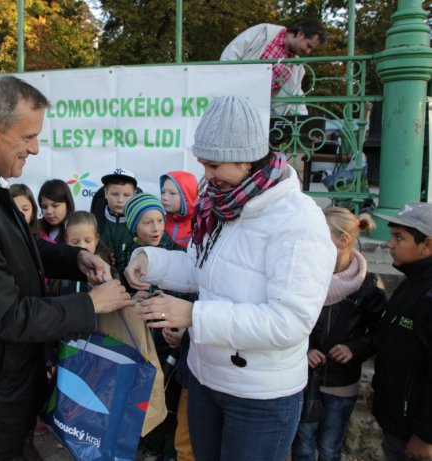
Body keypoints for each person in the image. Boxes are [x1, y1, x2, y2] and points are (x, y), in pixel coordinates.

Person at [0, 75, 134, 461]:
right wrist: (91, 304)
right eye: (27, 137)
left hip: (5, 389)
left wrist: (75, 259)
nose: (35, 148)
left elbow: (18, 247)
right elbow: (9, 315)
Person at [124, 95, 335, 461]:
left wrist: (195, 317)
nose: (206, 175)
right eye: (203, 163)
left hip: (261, 398)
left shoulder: (298, 219)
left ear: (246, 158)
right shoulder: (222, 202)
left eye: (214, 164)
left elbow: (290, 322)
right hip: (207, 379)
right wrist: (148, 260)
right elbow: (200, 269)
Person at [291, 207, 386, 461]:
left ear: (344, 241)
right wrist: (305, 349)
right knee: (302, 444)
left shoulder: (368, 285)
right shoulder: (303, 277)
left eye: (319, 237)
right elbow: (290, 321)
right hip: (304, 378)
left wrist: (355, 348)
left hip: (342, 382)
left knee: (331, 446)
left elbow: (380, 333)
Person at [121, 193, 187, 461]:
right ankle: (150, 443)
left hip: (169, 342)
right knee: (144, 394)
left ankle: (169, 450)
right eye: (147, 222)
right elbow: (120, 293)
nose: (156, 227)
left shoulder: (178, 254)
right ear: (134, 227)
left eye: (159, 220)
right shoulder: (127, 254)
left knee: (168, 396)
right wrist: (129, 299)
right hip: (140, 341)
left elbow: (191, 295)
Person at [372, 203, 432, 461]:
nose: (389, 244)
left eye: (399, 238)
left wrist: (426, 434)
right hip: (397, 422)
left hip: (416, 435)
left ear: (427, 245)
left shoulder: (427, 295)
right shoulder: (410, 282)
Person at [220, 18, 327, 116]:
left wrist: (306, 124)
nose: (308, 51)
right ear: (300, 34)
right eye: (308, 46)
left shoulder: (297, 67)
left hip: (258, 114)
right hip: (232, 100)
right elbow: (232, 53)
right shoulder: (263, 32)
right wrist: (226, 85)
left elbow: (295, 96)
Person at [91, 168, 138, 257]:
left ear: (134, 194)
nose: (120, 200)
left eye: (126, 195)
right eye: (115, 194)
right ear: (106, 193)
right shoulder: (93, 222)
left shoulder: (140, 222)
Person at [160, 171, 198, 248]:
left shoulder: (199, 226)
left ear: (188, 195)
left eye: (172, 193)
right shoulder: (158, 222)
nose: (164, 197)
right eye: (163, 192)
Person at [37, 179, 74, 244]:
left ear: (67, 204)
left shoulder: (77, 229)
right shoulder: (36, 229)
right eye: (44, 207)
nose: (49, 211)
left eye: (55, 206)